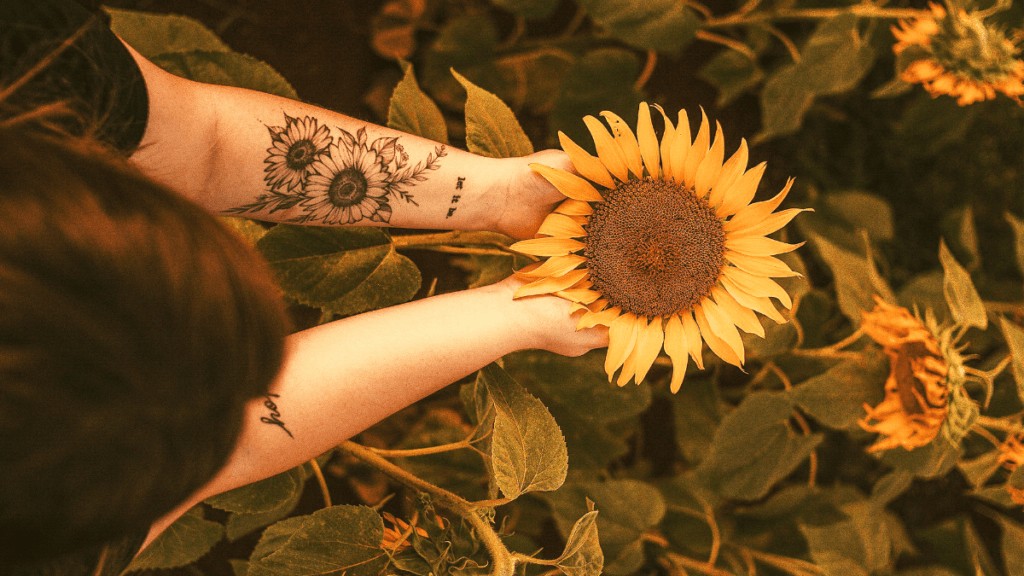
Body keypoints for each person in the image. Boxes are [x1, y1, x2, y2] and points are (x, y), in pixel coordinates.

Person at [0, 1, 608, 574]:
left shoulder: (27, 60)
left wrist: (495, 195)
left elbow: (203, 147)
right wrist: (516, 310)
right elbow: (239, 447)